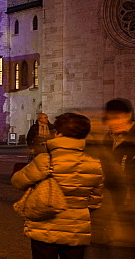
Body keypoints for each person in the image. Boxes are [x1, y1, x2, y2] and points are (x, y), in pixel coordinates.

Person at [11, 112, 104, 259]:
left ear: (59, 134)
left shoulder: (45, 160)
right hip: (76, 229)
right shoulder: (94, 164)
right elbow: (95, 201)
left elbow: (18, 182)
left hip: (44, 226)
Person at [90, 98, 135, 254]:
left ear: (128, 116)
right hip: (113, 205)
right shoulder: (109, 139)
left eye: (116, 118)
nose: (111, 123)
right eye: (108, 119)